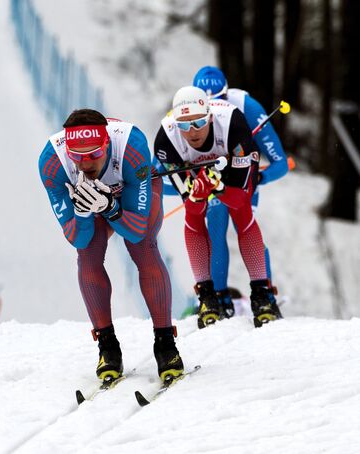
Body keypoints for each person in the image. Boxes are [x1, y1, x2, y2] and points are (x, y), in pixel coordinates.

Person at [38, 108, 184, 383]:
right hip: (92, 203)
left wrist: (110, 207)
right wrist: (82, 211)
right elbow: (76, 239)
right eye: (77, 157)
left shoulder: (131, 146)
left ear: (107, 145)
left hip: (129, 190)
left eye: (94, 154)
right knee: (88, 256)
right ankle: (108, 347)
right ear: (68, 152)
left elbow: (137, 230)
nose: (85, 164)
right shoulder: (52, 163)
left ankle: (166, 345)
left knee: (143, 248)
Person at [153, 86, 281, 329]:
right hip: (193, 169)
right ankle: (207, 297)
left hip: (232, 161)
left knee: (241, 214)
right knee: (194, 217)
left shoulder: (233, 122)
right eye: (184, 125)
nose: (192, 132)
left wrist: (220, 188)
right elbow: (191, 209)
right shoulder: (166, 140)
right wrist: (199, 194)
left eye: (199, 122)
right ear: (175, 123)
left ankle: (262, 293)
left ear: (210, 117)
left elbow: (240, 199)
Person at [192, 66, 289, 318]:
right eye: (205, 109)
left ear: (227, 95)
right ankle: (218, 298)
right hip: (213, 178)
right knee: (215, 225)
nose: (214, 114)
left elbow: (280, 163)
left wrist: (258, 177)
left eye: (220, 102)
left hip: (243, 177)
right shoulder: (184, 114)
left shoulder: (249, 108)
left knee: (244, 225)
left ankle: (264, 294)